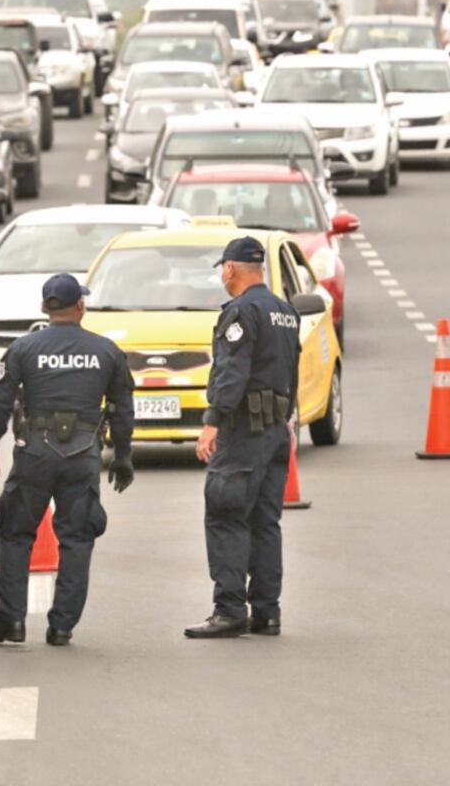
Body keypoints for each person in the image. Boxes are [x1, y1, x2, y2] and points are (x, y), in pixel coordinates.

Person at [0, 273, 135, 646]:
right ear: (80, 306)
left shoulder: (23, 348)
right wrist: (123, 457)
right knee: (77, 536)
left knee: (15, 532)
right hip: (83, 452)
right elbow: (122, 409)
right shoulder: (107, 351)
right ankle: (62, 626)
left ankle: (10, 620)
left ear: (45, 308)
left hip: (35, 451)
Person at [186, 236, 301, 638]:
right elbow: (291, 370)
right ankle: (267, 611)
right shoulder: (284, 312)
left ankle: (230, 609)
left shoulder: (240, 312)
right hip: (275, 430)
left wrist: (212, 422)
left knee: (226, 513)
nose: (222, 274)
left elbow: (232, 372)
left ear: (231, 269)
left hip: (244, 431)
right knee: (265, 521)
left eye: (223, 268)